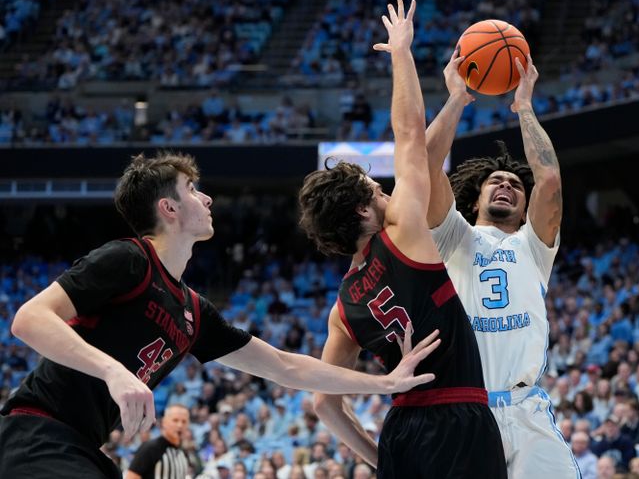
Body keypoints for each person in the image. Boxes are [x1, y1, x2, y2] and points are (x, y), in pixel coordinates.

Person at [0, 151, 438, 479]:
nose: (206, 198)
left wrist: (383, 383)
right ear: (168, 209)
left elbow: (286, 366)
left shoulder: (193, 311)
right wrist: (114, 372)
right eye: (192, 190)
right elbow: (29, 319)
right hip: (36, 432)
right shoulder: (128, 259)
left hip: (80, 446)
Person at [302, 0, 506, 479]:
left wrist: (383, 461)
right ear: (363, 210)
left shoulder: (342, 308)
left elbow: (324, 405)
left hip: (402, 434)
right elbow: (411, 139)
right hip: (459, 420)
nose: (388, 191)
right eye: (377, 189)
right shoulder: (401, 236)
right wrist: (400, 53)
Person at [424, 32, 575, 477]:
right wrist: (456, 98)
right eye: (497, 181)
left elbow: (549, 180)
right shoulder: (453, 235)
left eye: (515, 184)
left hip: (527, 408)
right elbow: (426, 166)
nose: (507, 184)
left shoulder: (534, 246)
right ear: (474, 200)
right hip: (466, 410)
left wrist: (523, 105)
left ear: (525, 206)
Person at [125, 404, 191, 479]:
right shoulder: (150, 448)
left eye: (184, 421)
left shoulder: (184, 452)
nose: (180, 425)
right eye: (175, 420)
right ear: (164, 422)